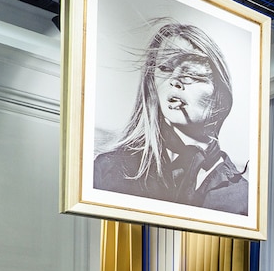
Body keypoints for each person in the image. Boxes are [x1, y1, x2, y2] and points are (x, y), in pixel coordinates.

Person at [94, 21, 248, 215]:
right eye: (165, 69)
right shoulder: (110, 169)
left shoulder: (242, 196)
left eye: (191, 74)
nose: (174, 81)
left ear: (220, 95)